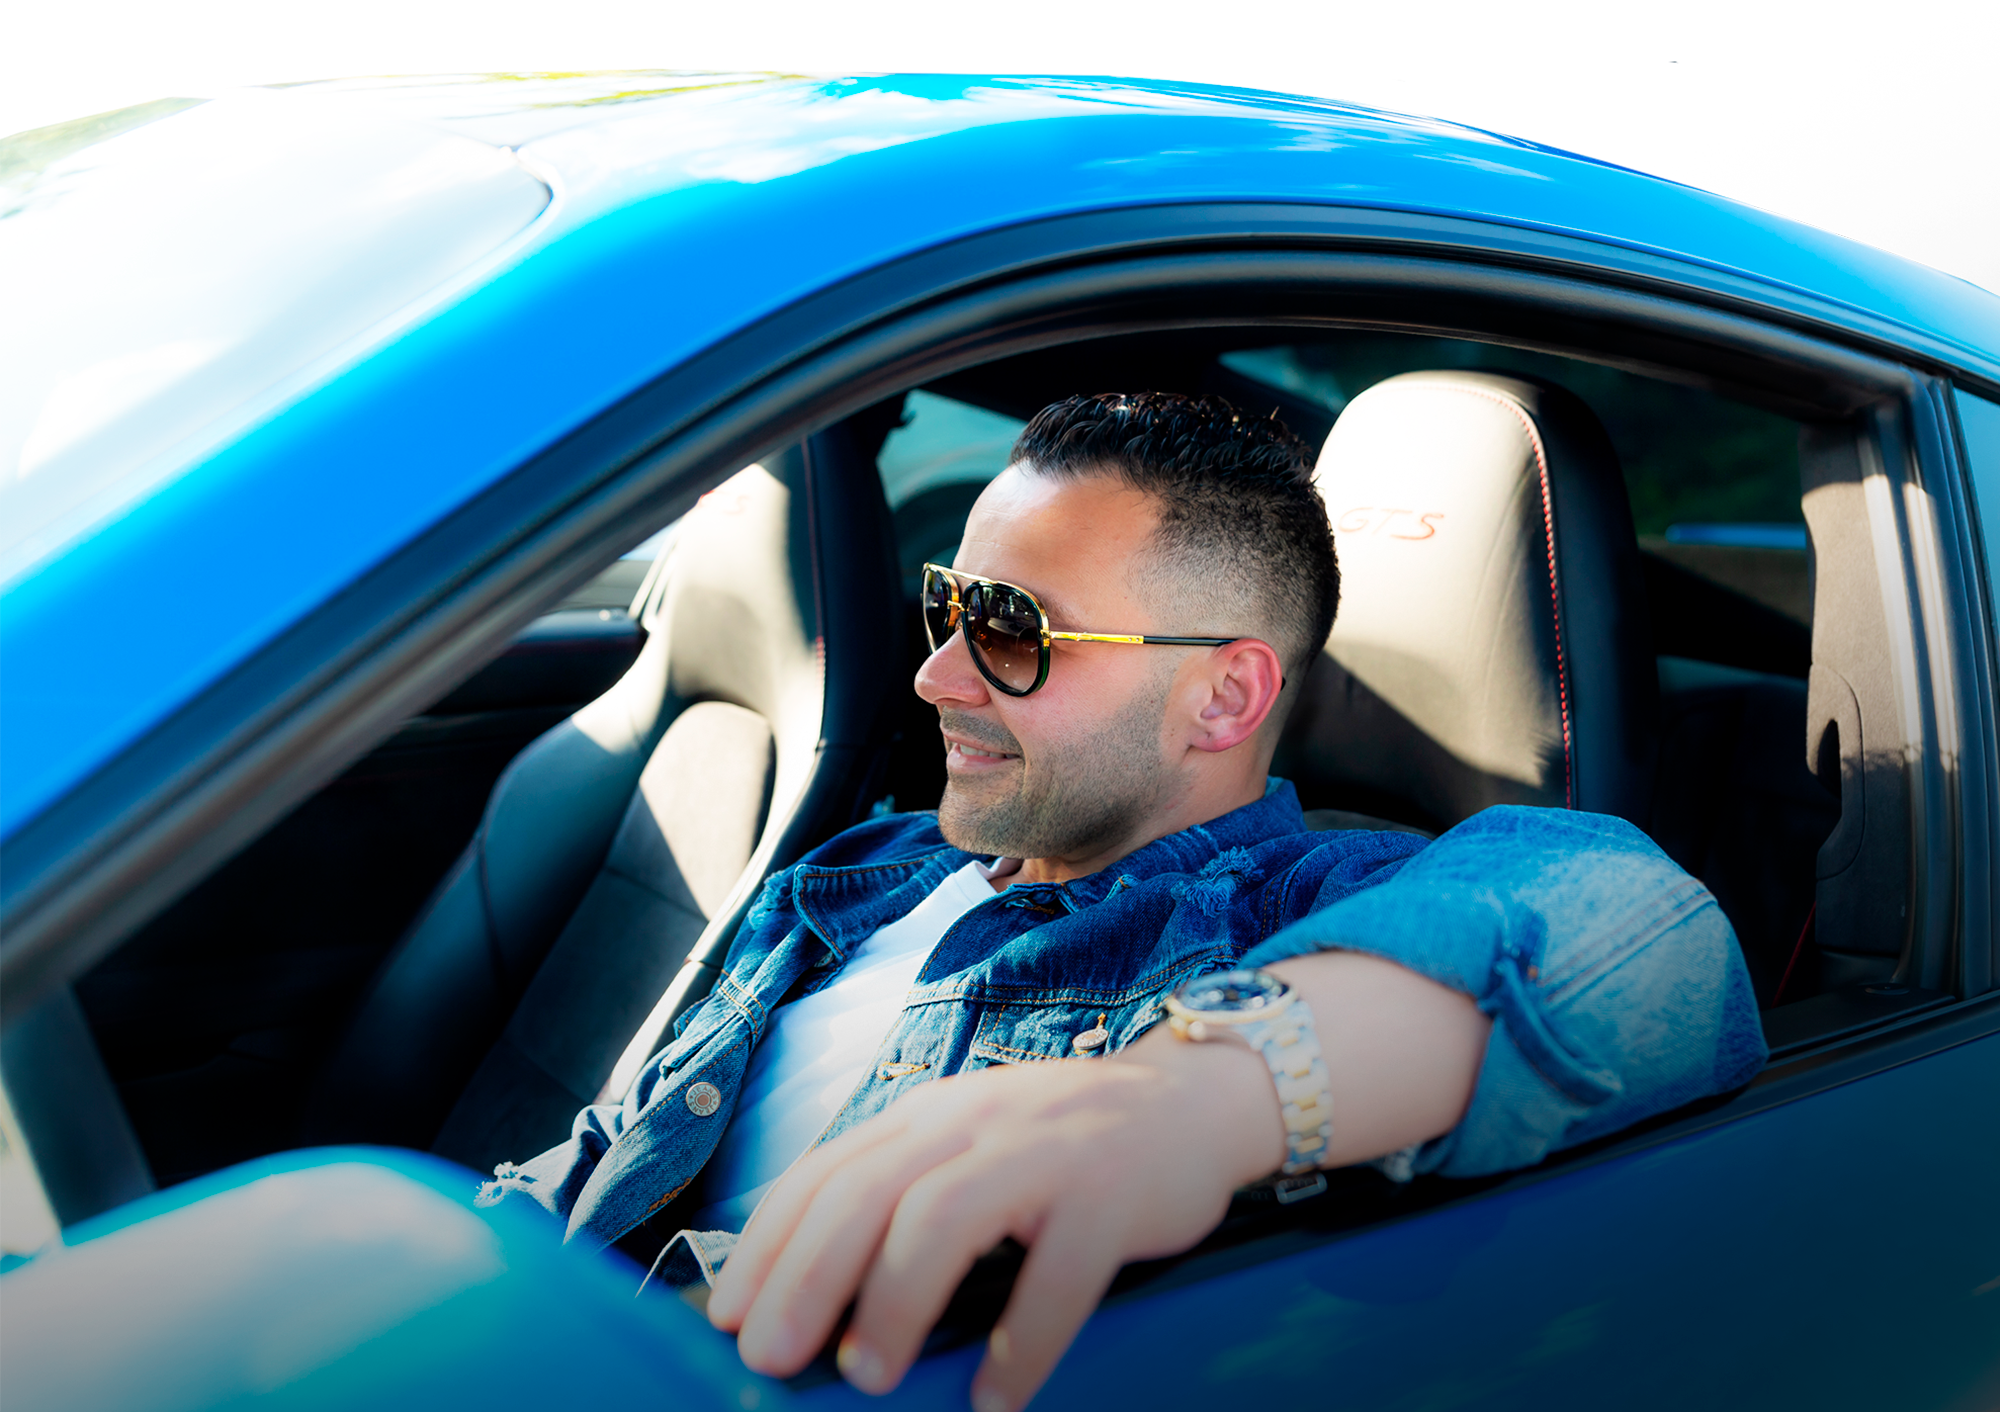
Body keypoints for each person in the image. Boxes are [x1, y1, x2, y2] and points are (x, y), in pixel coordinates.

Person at [477, 392, 1766, 1412]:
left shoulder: (1286, 919)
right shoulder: (864, 870)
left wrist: (1196, 1095)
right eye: (948, 606)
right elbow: (603, 1155)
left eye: (1010, 628)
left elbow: (1648, 933)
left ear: (1225, 697)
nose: (936, 677)